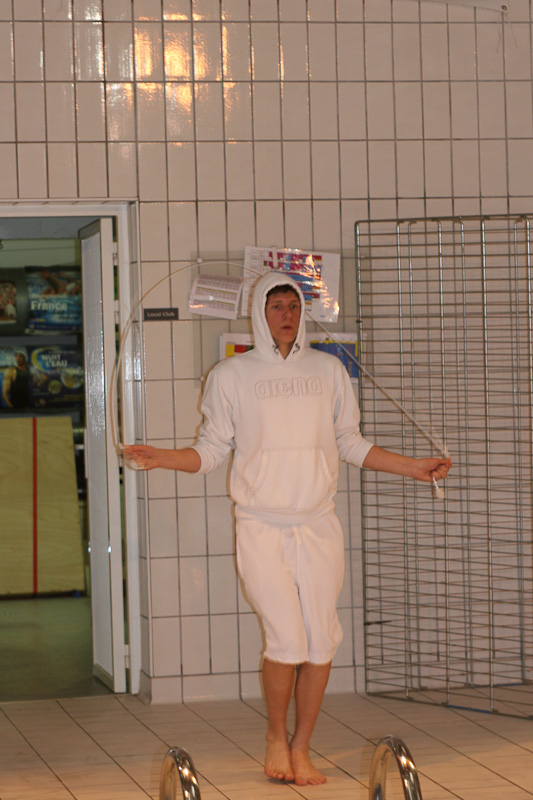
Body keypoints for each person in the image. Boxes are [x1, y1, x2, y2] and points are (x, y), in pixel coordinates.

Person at [123, 271, 451, 787]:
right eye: (276, 306)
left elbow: (350, 442)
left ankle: (301, 746)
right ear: (260, 313)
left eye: (294, 306)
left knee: (321, 641)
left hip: (319, 523)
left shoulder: (328, 370)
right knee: (285, 640)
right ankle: (276, 735)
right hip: (261, 526)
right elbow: (211, 451)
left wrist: (414, 468)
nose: (287, 315)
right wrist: (161, 457)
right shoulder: (230, 375)